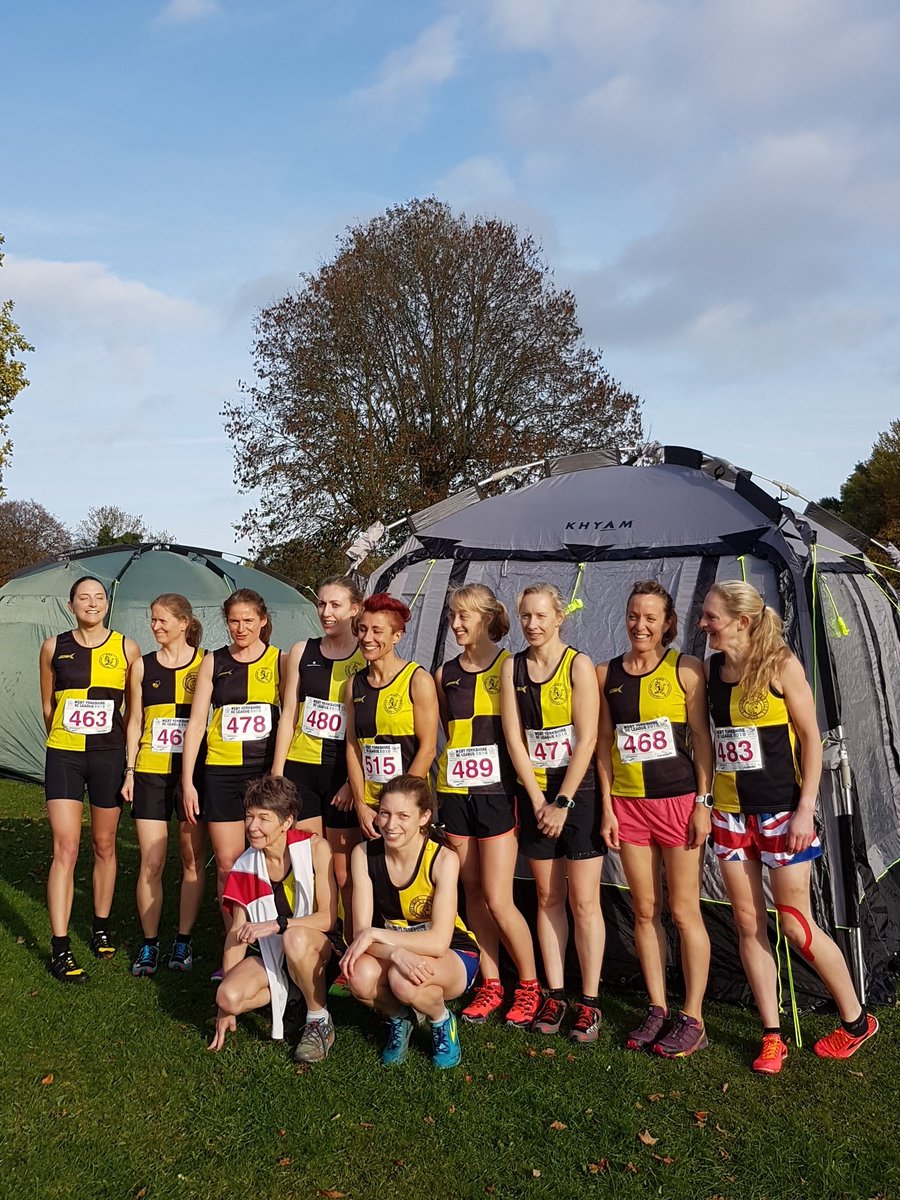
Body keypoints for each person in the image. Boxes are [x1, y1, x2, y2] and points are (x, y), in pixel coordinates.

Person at [700, 581, 878, 1072]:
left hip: (783, 813)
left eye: (711, 617)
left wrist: (805, 810)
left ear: (742, 620)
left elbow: (812, 741)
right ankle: (772, 1033)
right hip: (732, 814)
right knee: (748, 923)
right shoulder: (713, 670)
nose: (703, 624)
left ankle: (857, 1020)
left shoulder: (781, 665)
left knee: (796, 925)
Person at [597, 580, 714, 1057]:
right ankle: (658, 1007)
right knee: (644, 910)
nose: (639, 625)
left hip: (678, 802)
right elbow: (604, 746)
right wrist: (606, 807)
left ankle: (694, 1016)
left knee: (683, 912)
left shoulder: (686, 669)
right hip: (628, 805)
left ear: (668, 623)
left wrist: (704, 803)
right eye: (632, 616)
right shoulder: (607, 673)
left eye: (650, 618)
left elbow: (703, 742)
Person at [499, 582, 605, 1044]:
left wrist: (562, 801)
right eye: (525, 616)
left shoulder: (578, 665)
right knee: (547, 897)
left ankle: (590, 1001)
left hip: (576, 794)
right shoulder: (512, 668)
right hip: (536, 795)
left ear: (559, 618)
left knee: (583, 901)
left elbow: (587, 738)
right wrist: (538, 798)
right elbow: (515, 739)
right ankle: (555, 992)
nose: (532, 625)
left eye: (541, 616)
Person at [434, 584, 540, 1029]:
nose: (456, 624)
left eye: (464, 616)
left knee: (499, 897)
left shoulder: (510, 666)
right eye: (453, 616)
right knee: (472, 892)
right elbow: (449, 731)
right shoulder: (444, 673)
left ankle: (531, 986)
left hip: (499, 795)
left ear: (486, 618)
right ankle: (491, 983)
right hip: (455, 793)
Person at [39, 575, 140, 982]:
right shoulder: (53, 647)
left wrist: (123, 755)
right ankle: (60, 946)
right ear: (71, 605)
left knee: (103, 844)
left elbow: (133, 710)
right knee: (65, 847)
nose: (92, 603)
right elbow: (48, 704)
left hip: (108, 756)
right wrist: (65, 738)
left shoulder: (126, 648)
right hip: (64, 754)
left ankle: (100, 926)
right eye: (84, 597)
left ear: (106, 605)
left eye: (99, 597)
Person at [342, 774, 479, 1069]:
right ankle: (399, 1019)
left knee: (403, 981)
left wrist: (376, 937)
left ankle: (441, 1020)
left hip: (453, 954)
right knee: (358, 976)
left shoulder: (443, 858)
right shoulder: (363, 854)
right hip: (394, 949)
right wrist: (395, 953)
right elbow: (360, 933)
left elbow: (438, 942)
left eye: (403, 815)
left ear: (424, 817)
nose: (391, 825)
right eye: (385, 813)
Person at [181, 589, 283, 972]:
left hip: (261, 772)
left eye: (248, 620)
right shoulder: (214, 661)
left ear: (263, 620)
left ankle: (273, 941)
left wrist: (277, 772)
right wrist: (189, 780)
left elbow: (288, 717)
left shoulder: (279, 660)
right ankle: (236, 949)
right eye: (233, 621)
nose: (240, 628)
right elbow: (196, 723)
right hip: (220, 770)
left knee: (268, 859)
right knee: (227, 863)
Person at [208, 774, 337, 1063]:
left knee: (295, 937)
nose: (252, 827)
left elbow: (328, 919)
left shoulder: (315, 848)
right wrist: (224, 1009)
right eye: (249, 816)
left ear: (287, 821)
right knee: (227, 995)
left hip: (319, 949)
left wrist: (278, 924)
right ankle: (292, 993)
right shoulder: (245, 865)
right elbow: (237, 934)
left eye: (263, 818)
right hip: (274, 956)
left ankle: (319, 1019)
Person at [272, 576, 366, 932]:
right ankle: (314, 942)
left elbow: (367, 726)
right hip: (302, 770)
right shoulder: (301, 650)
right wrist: (279, 773)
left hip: (344, 774)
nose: (326, 613)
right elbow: (289, 715)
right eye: (322, 604)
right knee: (310, 864)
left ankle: (350, 941)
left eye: (336, 605)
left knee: (344, 873)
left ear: (355, 609)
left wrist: (350, 783)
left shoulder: (366, 652)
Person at [122, 594, 207, 976]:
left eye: (162, 621)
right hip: (151, 772)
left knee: (191, 859)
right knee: (152, 861)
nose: (155, 627)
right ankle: (150, 944)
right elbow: (135, 721)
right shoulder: (142, 666)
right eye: (152, 620)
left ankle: (184, 941)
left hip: (193, 774)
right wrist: (129, 770)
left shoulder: (207, 663)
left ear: (185, 622)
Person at [345, 594, 438, 841]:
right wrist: (361, 804)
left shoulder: (418, 679)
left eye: (377, 631)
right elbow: (353, 747)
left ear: (396, 636)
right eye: (363, 629)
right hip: (371, 807)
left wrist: (398, 808)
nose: (367, 638)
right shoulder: (353, 684)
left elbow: (428, 749)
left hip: (406, 808)